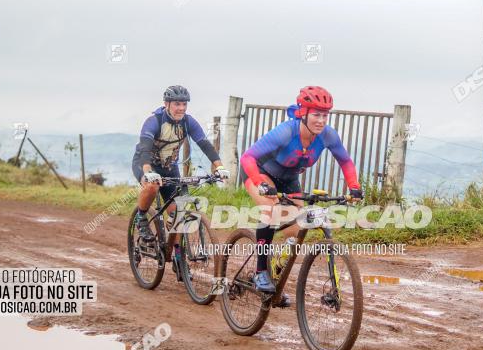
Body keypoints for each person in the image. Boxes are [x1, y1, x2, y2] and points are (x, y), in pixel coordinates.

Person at [240, 86, 363, 301]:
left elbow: (345, 160)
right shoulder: (286, 132)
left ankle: (276, 274)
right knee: (271, 210)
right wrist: (261, 183)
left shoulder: (327, 135)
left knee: (296, 231)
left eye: (325, 115)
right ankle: (261, 271)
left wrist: (354, 186)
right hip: (259, 173)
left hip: (289, 180)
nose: (321, 120)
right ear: (302, 113)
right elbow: (248, 158)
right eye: (316, 114)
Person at [132, 85, 229, 243]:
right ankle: (141, 218)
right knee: (152, 186)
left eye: (184, 104)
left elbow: (205, 145)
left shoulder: (188, 122)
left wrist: (220, 167)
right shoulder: (154, 121)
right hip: (145, 163)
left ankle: (178, 257)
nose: (181, 108)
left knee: (178, 213)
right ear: (167, 104)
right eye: (177, 104)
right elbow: (145, 149)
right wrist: (148, 171)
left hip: (169, 167)